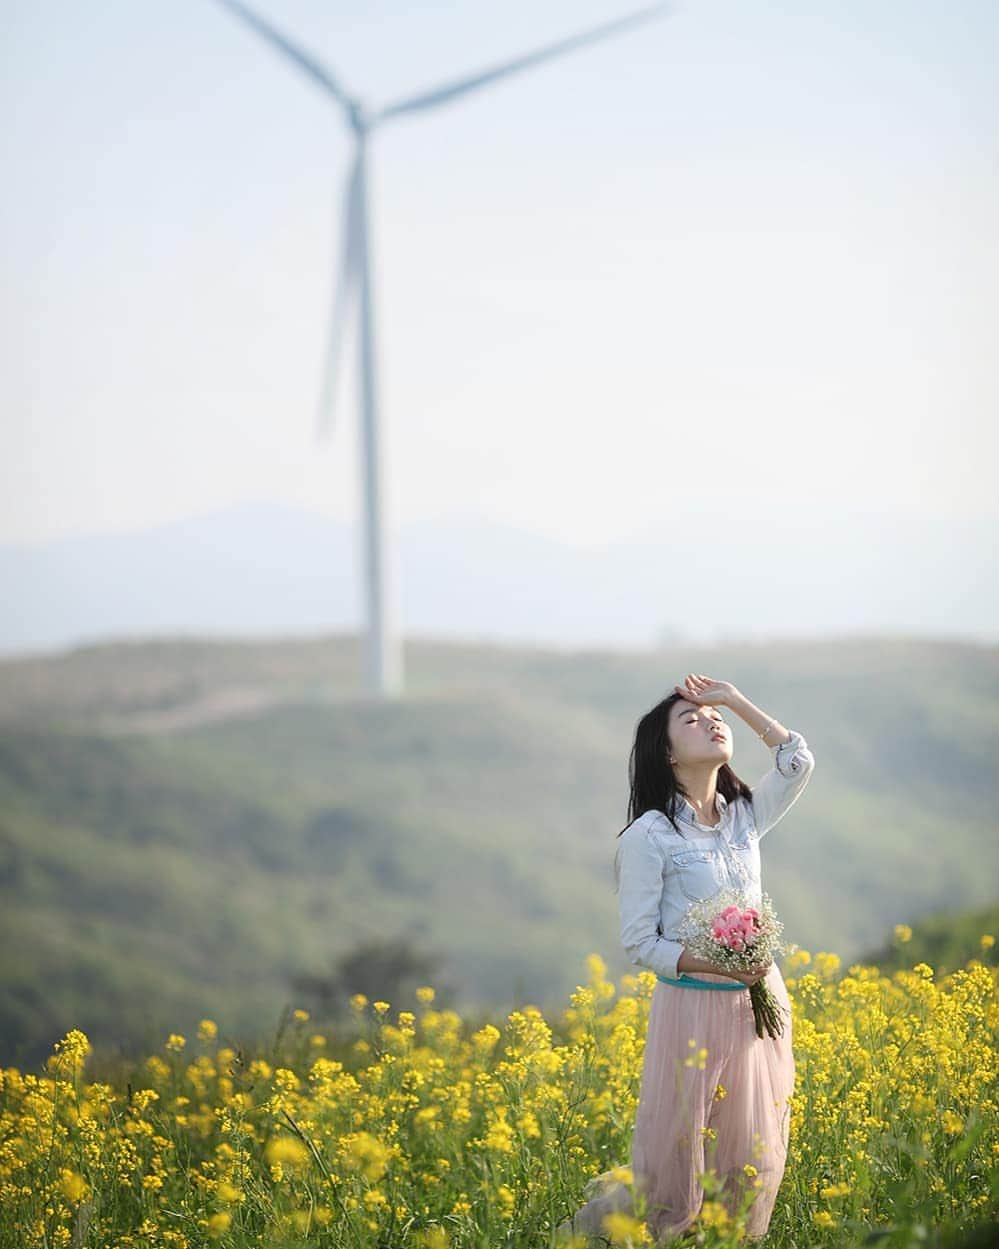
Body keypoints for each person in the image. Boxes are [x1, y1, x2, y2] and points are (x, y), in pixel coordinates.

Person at [556, 673, 815, 1245]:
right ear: (668, 754)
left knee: (749, 1155)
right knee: (675, 1169)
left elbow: (796, 760)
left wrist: (736, 700)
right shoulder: (648, 837)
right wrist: (721, 966)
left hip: (759, 1003)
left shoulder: (744, 815)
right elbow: (641, 944)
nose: (710, 720)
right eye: (691, 719)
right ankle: (590, 1237)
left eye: (713, 715)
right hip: (693, 1011)